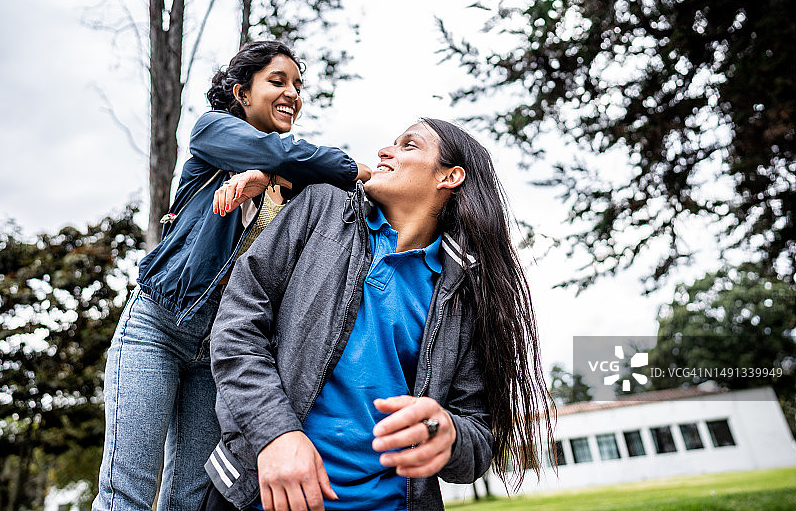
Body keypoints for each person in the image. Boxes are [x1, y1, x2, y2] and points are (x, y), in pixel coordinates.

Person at [203, 119, 554, 511]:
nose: (385, 152)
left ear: (450, 176)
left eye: (408, 146)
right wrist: (276, 435)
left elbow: (477, 436)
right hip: (258, 496)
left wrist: (447, 433)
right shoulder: (321, 207)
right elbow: (236, 327)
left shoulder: (464, 293)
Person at [93, 40, 370, 511]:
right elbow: (292, 156)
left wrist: (270, 177)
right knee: (127, 493)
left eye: (298, 85)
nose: (293, 94)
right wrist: (312, 168)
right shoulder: (212, 132)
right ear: (242, 93)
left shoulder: (294, 176)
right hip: (158, 327)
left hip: (220, 349)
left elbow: (318, 186)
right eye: (278, 82)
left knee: (190, 499)